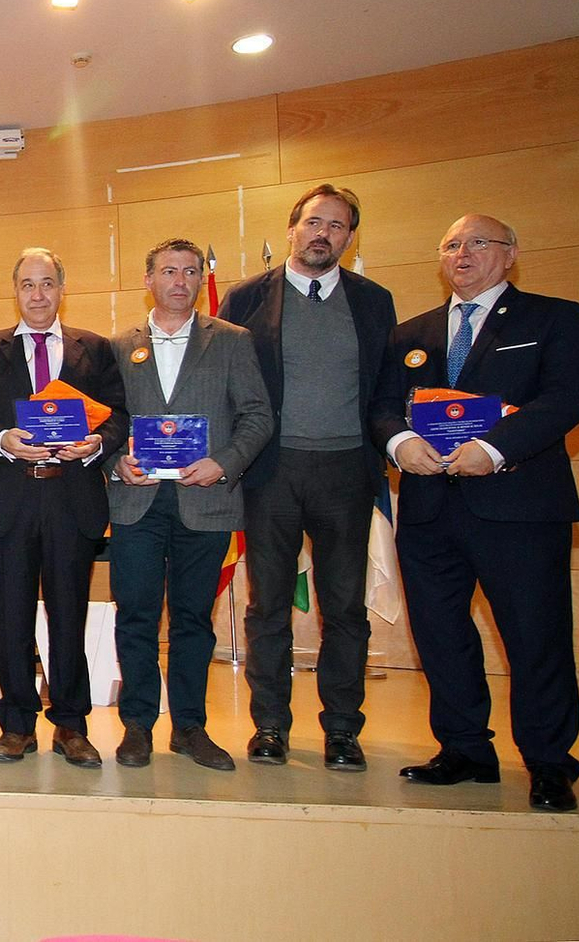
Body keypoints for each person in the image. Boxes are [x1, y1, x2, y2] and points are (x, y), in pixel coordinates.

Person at [371, 216, 579, 812]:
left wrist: (493, 450)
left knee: (535, 637)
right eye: (451, 244)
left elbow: (566, 398)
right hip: (429, 509)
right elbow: (384, 406)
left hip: (519, 507)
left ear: (511, 254)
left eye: (478, 243)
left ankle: (549, 762)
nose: (462, 253)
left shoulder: (553, 317)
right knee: (441, 635)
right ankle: (464, 749)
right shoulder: (410, 333)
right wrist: (399, 444)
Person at [218, 184, 396, 770]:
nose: (323, 234)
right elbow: (225, 388)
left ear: (350, 238)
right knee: (268, 605)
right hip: (271, 471)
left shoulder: (374, 301)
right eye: (314, 222)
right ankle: (269, 725)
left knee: (345, 608)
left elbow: (386, 388)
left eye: (337, 226)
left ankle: (342, 729)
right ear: (292, 228)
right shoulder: (246, 298)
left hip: (347, 472)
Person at [106, 241, 272, 770]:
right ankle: (137, 725)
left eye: (190, 272)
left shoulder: (233, 341)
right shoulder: (117, 347)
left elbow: (257, 416)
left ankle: (189, 727)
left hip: (206, 501)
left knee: (193, 620)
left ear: (201, 279)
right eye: (169, 271)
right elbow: (103, 421)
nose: (180, 281)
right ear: (148, 279)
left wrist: (223, 462)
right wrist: (114, 462)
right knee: (135, 615)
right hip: (136, 502)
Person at [0, 247, 127, 766]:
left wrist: (97, 444)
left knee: (69, 615)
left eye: (47, 283)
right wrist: (3, 438)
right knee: (11, 616)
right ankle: (16, 724)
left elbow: (119, 414)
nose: (38, 294)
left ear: (61, 288)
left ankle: (71, 724)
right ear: (16, 291)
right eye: (28, 284)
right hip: (10, 498)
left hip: (71, 498)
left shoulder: (94, 348)